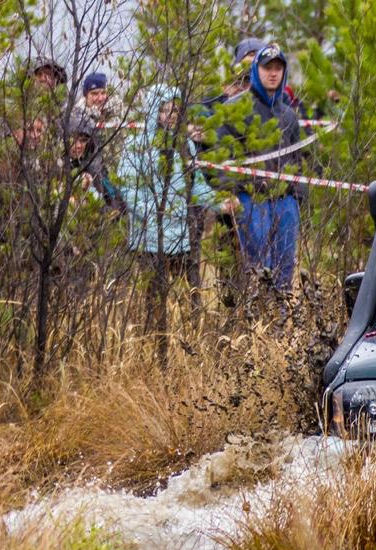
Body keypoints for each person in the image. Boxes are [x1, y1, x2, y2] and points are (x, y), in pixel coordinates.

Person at [117, 85, 220, 349]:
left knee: (185, 299)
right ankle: (149, 346)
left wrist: (219, 202)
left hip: (181, 241)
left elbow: (195, 185)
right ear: (154, 111)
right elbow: (128, 190)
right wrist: (155, 216)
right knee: (152, 300)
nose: (171, 114)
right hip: (149, 241)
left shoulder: (185, 145)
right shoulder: (136, 146)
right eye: (165, 109)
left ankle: (187, 345)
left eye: (175, 109)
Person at [216, 43, 305, 294]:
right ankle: (255, 323)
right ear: (257, 70)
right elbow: (221, 155)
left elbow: (298, 159)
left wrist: (299, 196)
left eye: (278, 68)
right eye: (267, 68)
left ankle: (281, 324)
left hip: (285, 201)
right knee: (258, 270)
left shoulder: (288, 115)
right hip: (251, 200)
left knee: (284, 269)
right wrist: (226, 192)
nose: (273, 73)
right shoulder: (237, 108)